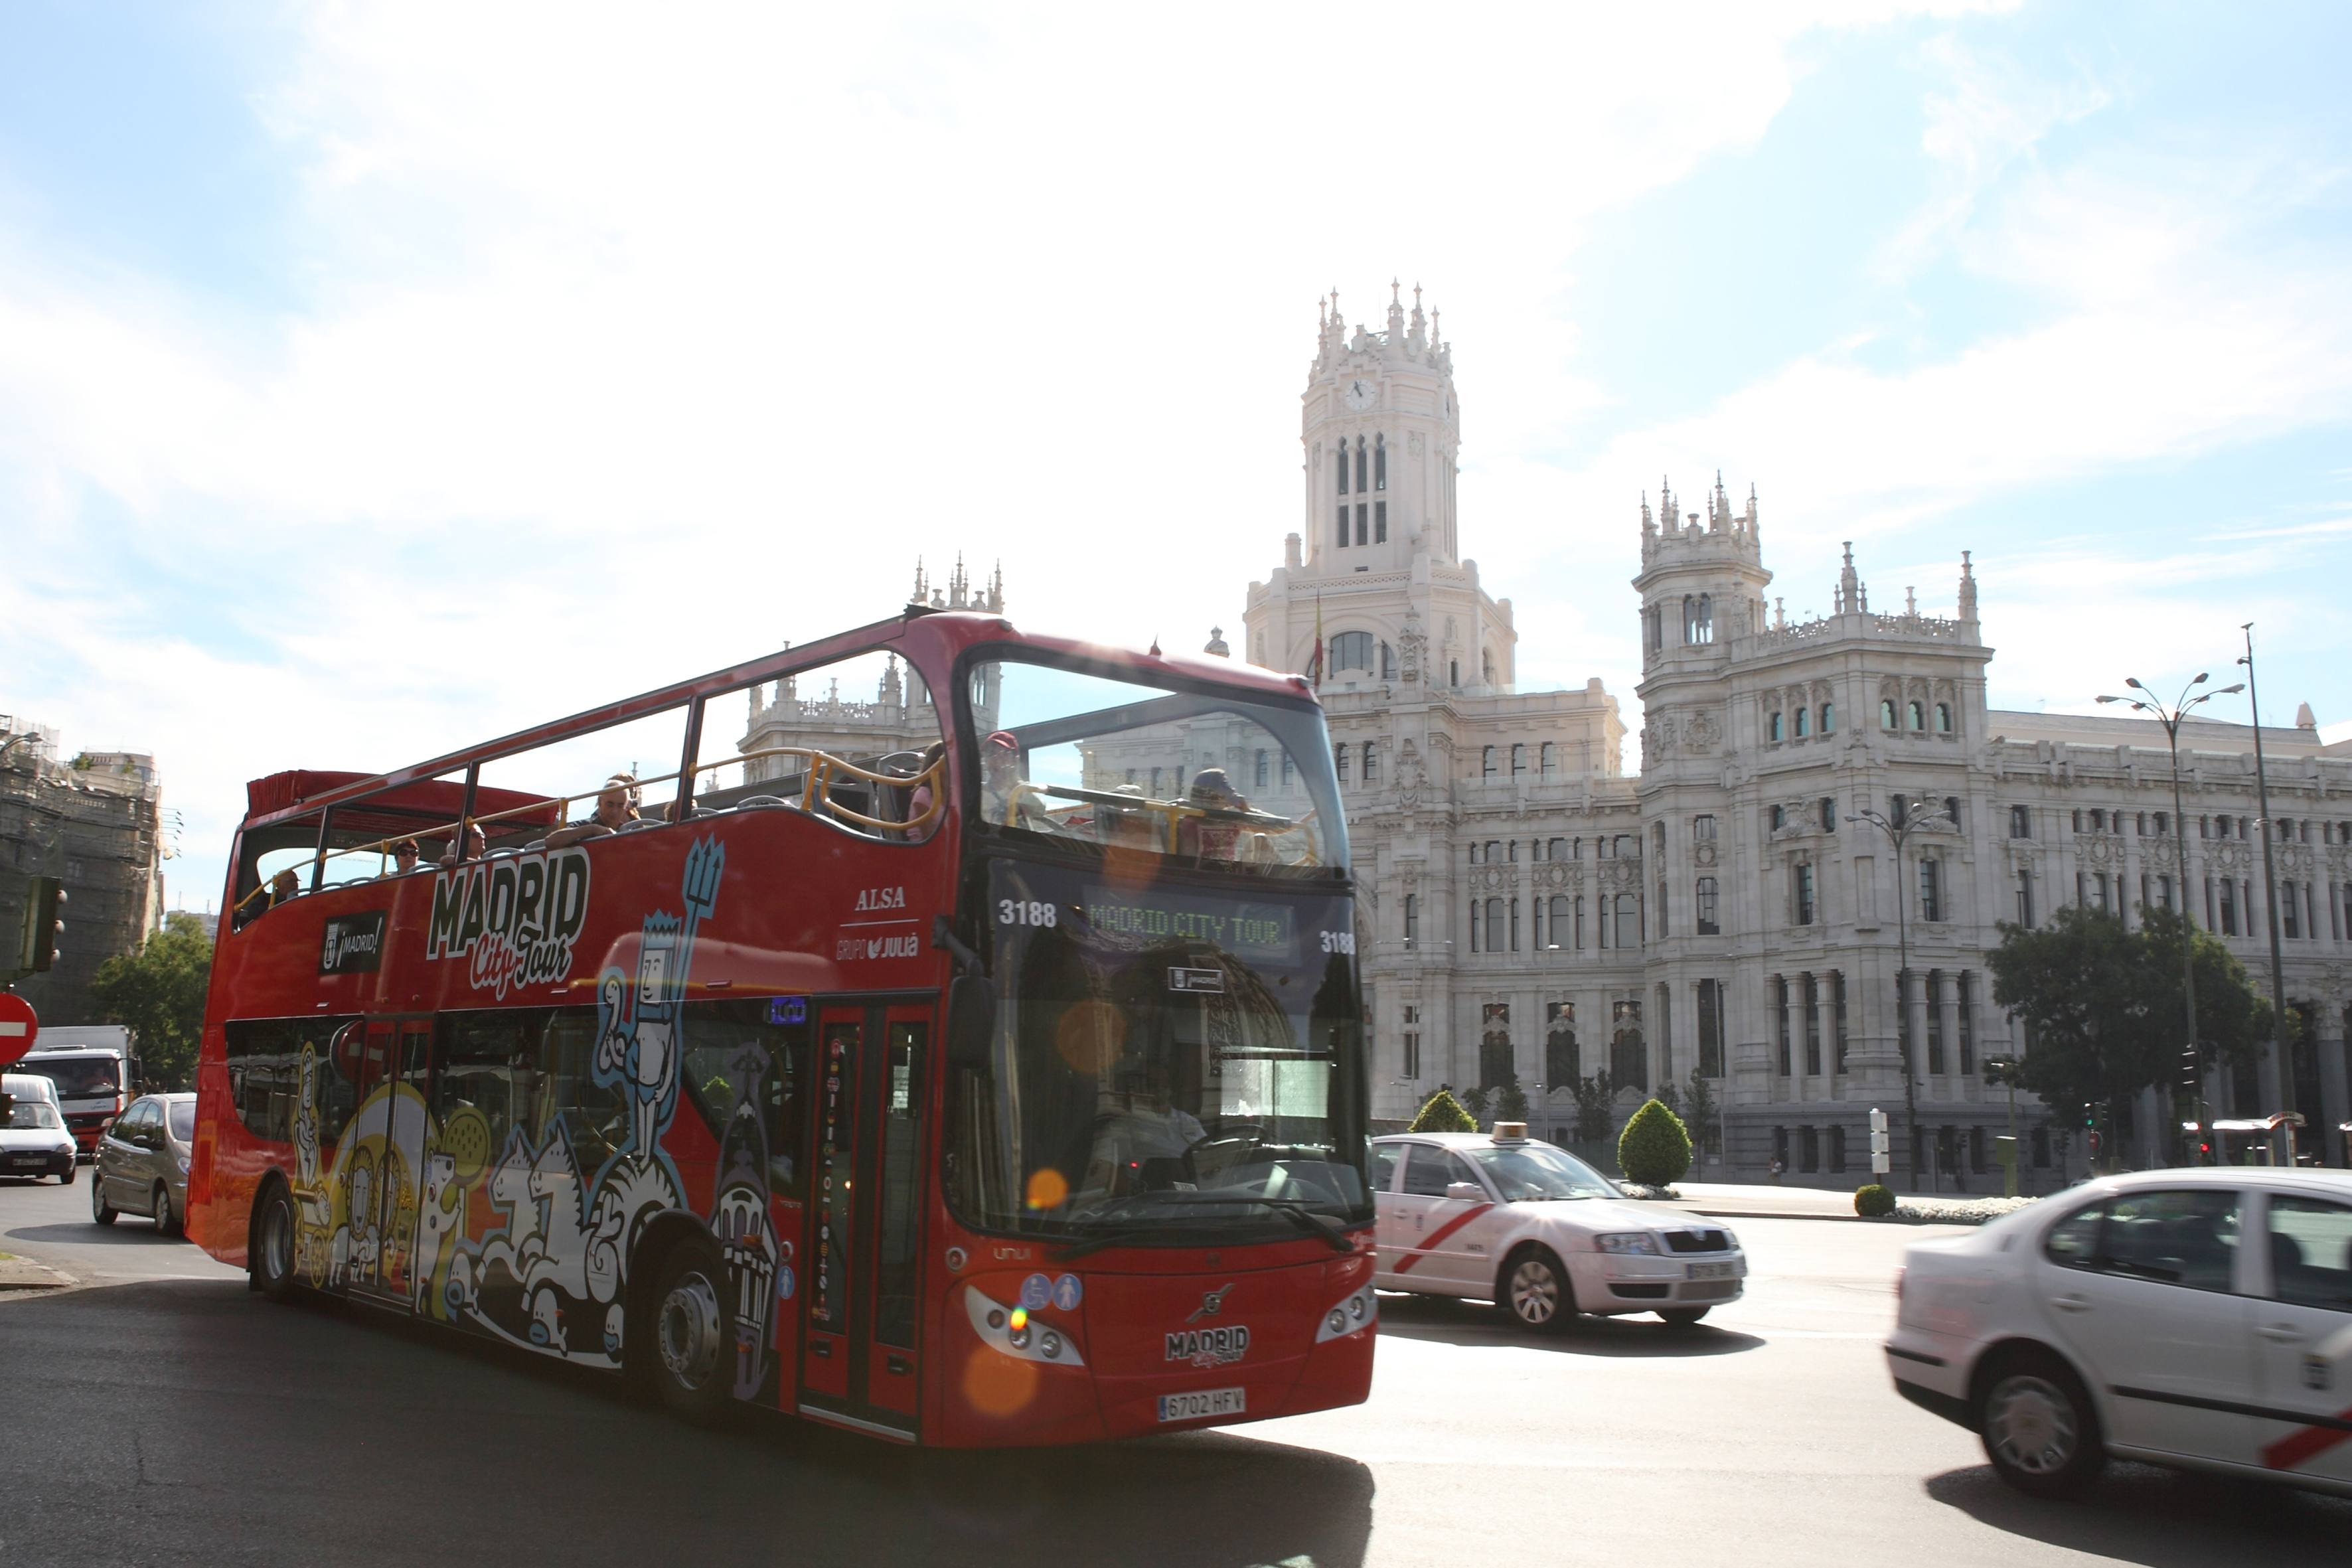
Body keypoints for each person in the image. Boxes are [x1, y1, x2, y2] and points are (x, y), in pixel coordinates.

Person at [546, 774, 641, 848]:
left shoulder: (631, 832)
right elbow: (550, 842)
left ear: (627, 806)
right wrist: (591, 829)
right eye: (610, 804)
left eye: (620, 806)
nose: (614, 811)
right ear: (600, 802)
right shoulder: (588, 826)